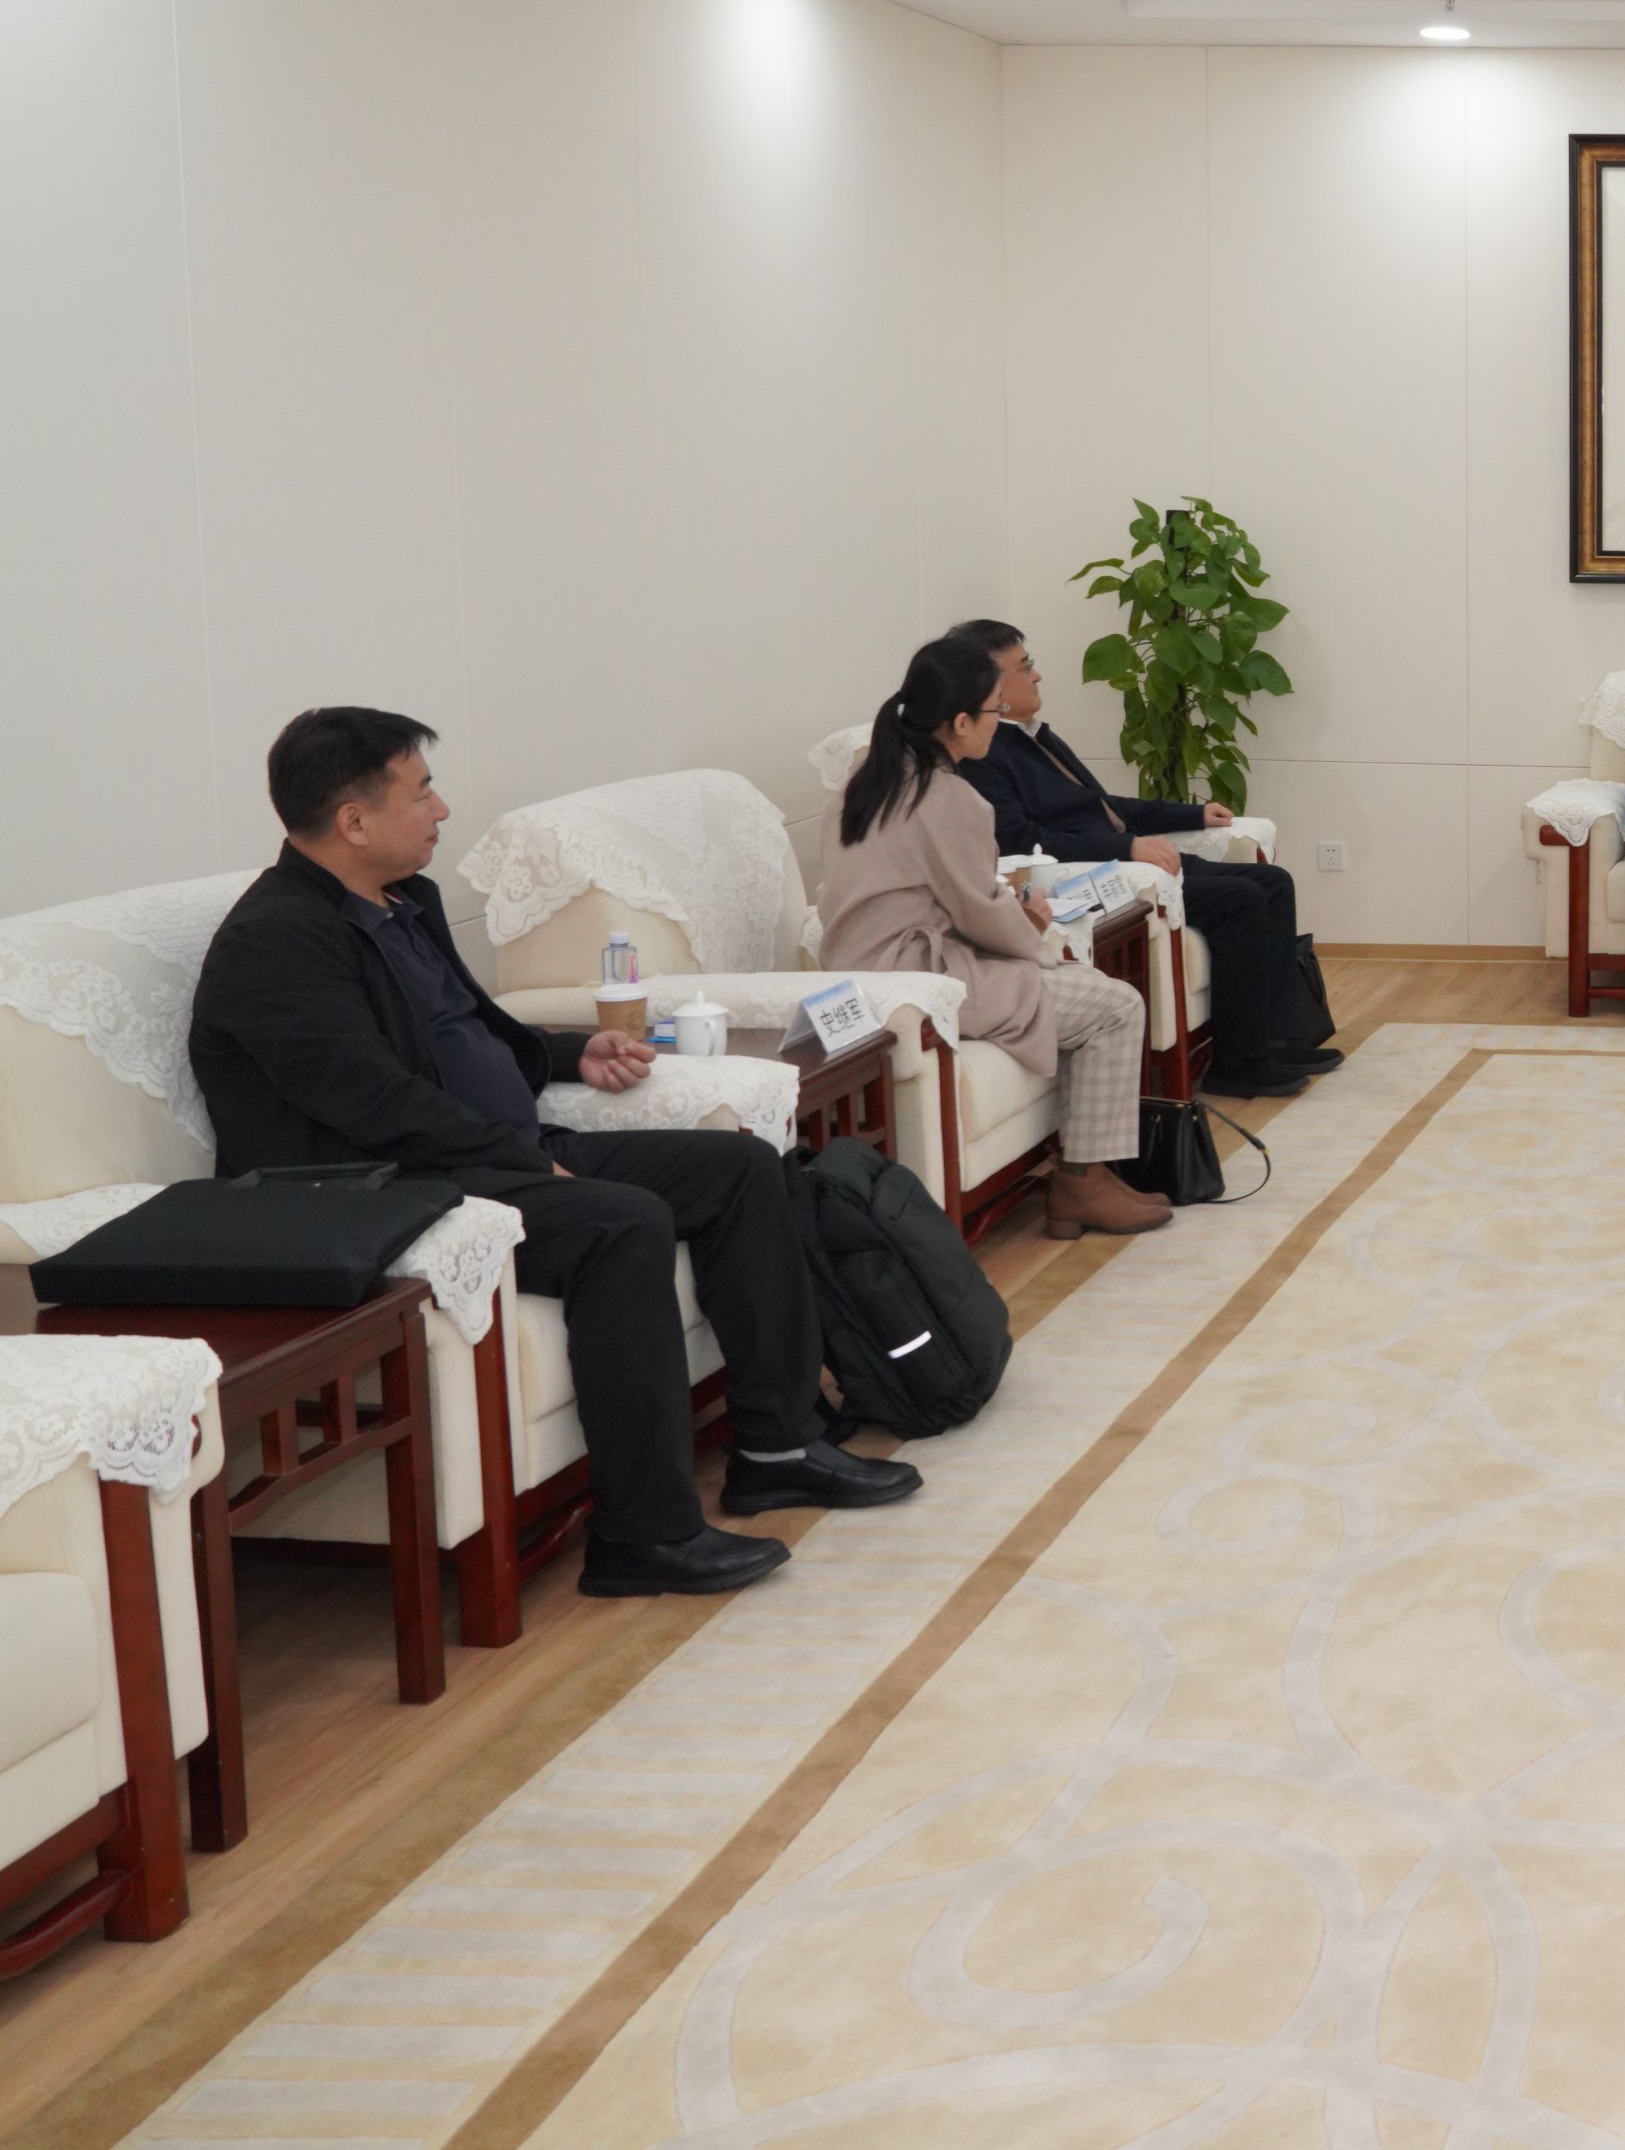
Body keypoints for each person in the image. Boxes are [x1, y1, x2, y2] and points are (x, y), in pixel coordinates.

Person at [189, 710, 918, 1601]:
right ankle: (643, 1534)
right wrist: (525, 1163)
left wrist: (571, 1054)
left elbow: (469, 1030)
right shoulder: (276, 942)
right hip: (386, 1188)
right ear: (354, 821)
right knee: (622, 1224)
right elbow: (373, 1104)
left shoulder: (402, 902)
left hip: (488, 1154)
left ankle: (778, 1447)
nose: (441, 809)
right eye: (422, 792)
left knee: (741, 1168)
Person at [820, 636, 1173, 1237]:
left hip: (859, 970)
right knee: (1115, 1003)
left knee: (1080, 984)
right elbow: (979, 910)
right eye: (993, 709)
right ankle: (1081, 1185)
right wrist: (1032, 924)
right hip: (922, 977)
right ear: (960, 722)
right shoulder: (949, 796)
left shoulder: (867, 778)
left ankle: (1092, 1177)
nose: (1000, 720)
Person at [942, 621, 1339, 1097]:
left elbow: (1100, 805)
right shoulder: (983, 754)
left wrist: (1191, 814)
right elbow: (1018, 840)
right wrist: (1127, 848)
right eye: (1025, 667)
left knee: (1272, 881)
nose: (1038, 675)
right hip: (1096, 878)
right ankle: (1240, 1061)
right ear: (989, 684)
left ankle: (1279, 1037)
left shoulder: (1033, 736)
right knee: (1240, 898)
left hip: (1126, 862)